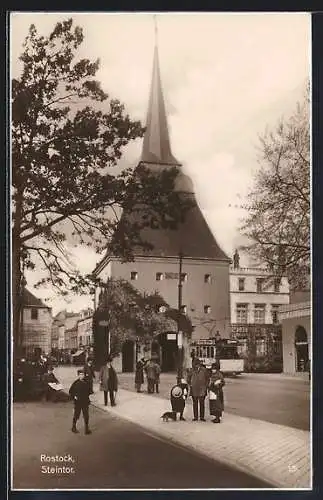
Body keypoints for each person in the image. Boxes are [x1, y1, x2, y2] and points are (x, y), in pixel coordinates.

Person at [69, 369, 92, 434]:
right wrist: (74, 396)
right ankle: (73, 427)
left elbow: (90, 391)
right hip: (78, 402)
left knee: (86, 415)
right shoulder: (75, 383)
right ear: (78, 375)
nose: (82, 376)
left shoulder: (87, 382)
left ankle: (86, 429)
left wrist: (88, 395)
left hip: (85, 401)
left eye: (83, 374)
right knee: (76, 415)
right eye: (80, 374)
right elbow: (71, 392)